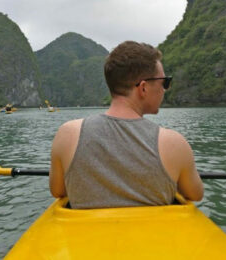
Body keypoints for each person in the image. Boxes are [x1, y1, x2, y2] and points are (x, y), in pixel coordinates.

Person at [49, 41, 204, 209]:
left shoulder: (67, 134)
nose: (165, 89)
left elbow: (58, 191)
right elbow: (195, 194)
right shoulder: (174, 143)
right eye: (165, 82)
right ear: (143, 88)